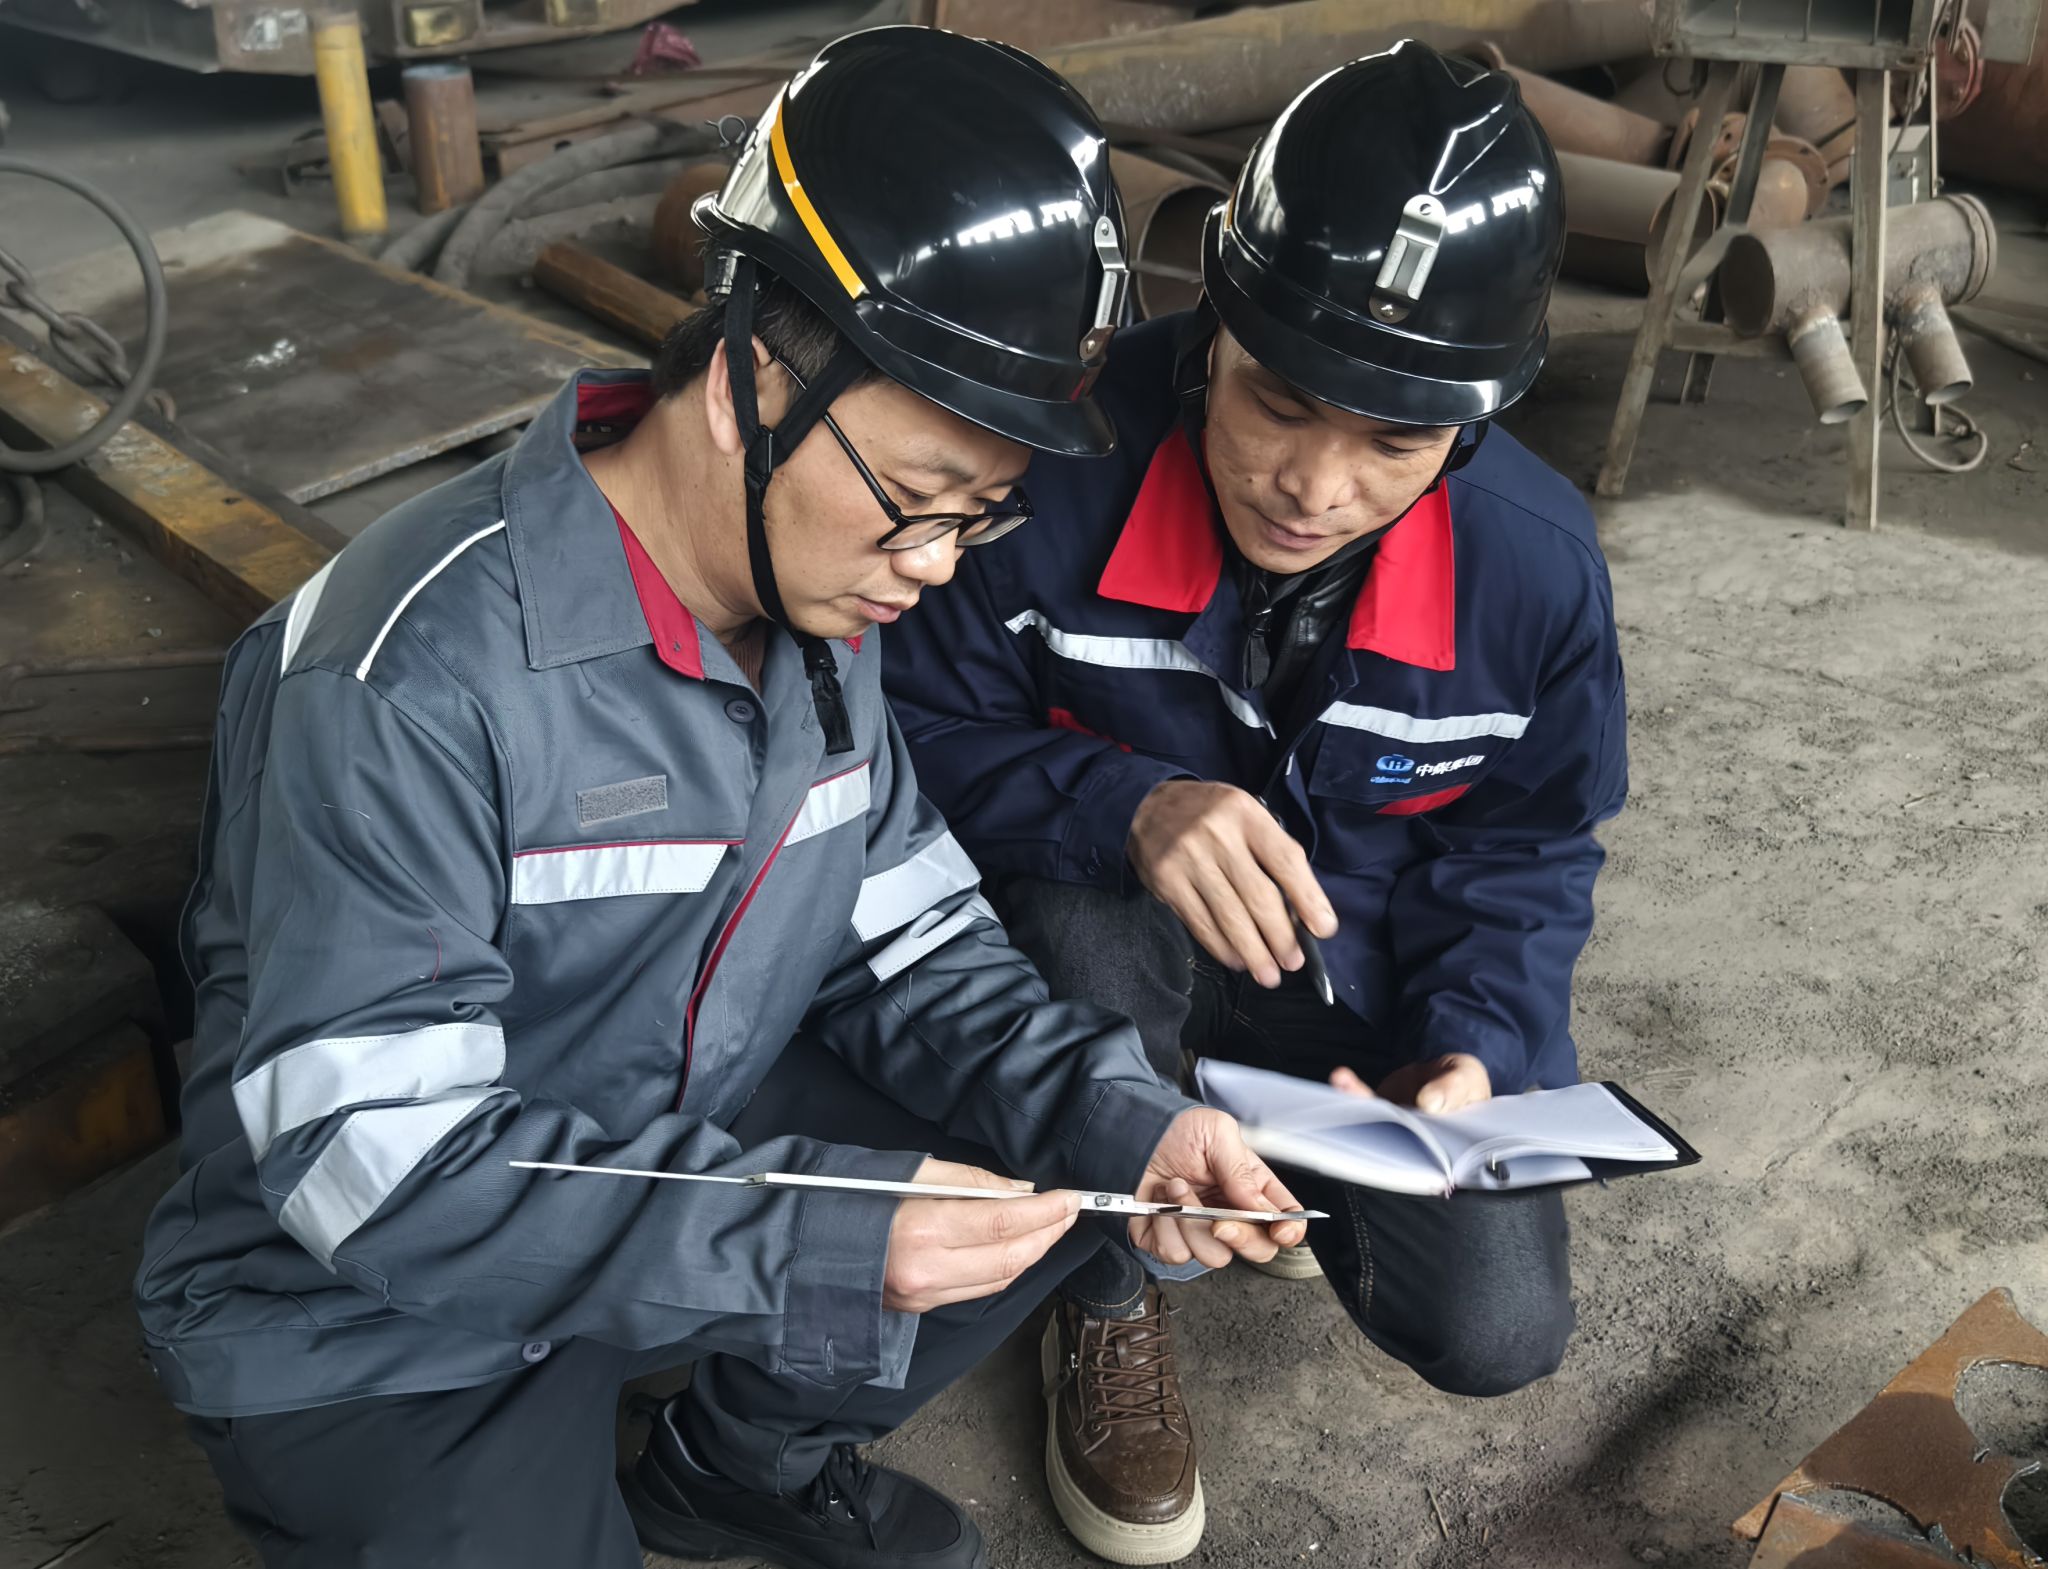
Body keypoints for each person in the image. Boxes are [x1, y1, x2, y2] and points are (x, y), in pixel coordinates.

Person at [132, 28, 1310, 1569]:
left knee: (1050, 1150)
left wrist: (1127, 1119)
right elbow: (376, 1165)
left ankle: (742, 1463)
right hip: (373, 1307)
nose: (935, 566)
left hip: (666, 1153)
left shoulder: (823, 607)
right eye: (915, 500)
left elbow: (914, 944)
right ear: (754, 375)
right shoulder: (406, 675)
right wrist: (811, 1234)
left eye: (979, 515)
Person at [883, 39, 1630, 1565]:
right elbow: (899, 736)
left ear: (1475, 423)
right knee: (1079, 927)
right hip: (1108, 960)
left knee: (1496, 1328)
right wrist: (1121, 801)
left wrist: (1477, 1050)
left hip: (1354, 986)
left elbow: (1531, 843)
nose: (1314, 483)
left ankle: (1286, 1145)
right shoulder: (1043, 476)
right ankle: (1105, 1286)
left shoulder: (1538, 576)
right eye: (1279, 401)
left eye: (1394, 442)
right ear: (1211, 317)